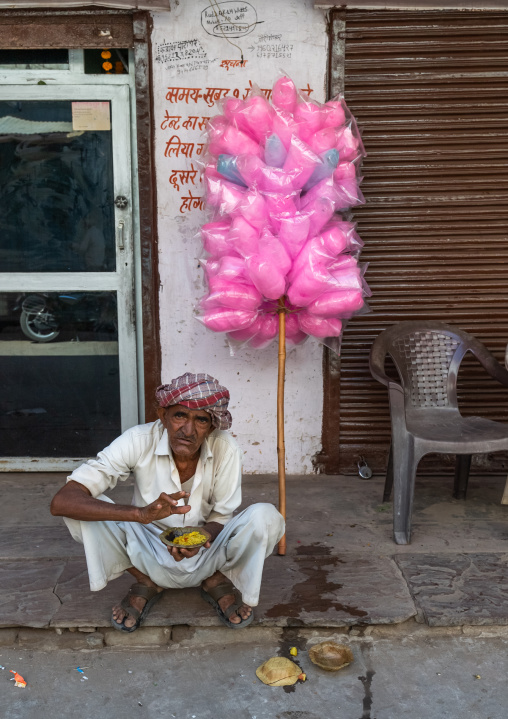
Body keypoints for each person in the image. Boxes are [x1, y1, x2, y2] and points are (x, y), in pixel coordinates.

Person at [50, 372, 285, 632]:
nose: (188, 430)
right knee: (81, 509)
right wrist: (139, 514)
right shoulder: (137, 440)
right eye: (180, 416)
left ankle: (215, 578)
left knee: (266, 516)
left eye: (201, 420)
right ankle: (144, 580)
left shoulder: (225, 448)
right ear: (163, 415)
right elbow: (62, 501)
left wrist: (203, 535)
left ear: (212, 426)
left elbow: (223, 516)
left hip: (207, 546)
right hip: (147, 542)